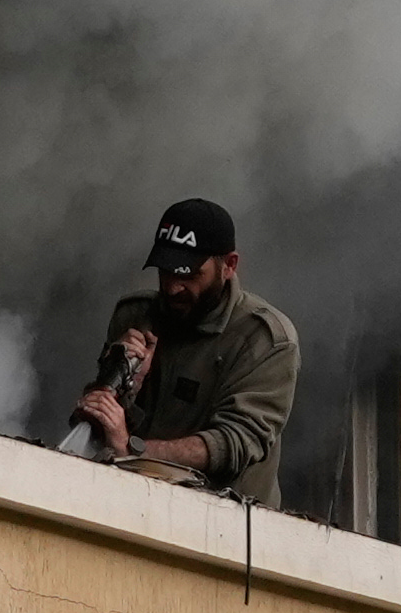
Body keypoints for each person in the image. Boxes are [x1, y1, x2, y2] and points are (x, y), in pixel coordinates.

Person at [67, 201, 298, 493]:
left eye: (189, 275)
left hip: (226, 521)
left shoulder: (264, 339)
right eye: (166, 272)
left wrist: (134, 449)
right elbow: (98, 427)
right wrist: (125, 385)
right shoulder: (136, 316)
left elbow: (236, 443)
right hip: (131, 499)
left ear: (229, 265)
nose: (174, 287)